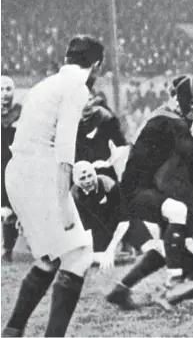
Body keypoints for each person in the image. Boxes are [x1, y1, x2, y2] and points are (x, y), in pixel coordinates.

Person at [2, 35, 104, 337]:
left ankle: (12, 331)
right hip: (41, 172)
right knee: (81, 255)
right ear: (96, 65)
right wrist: (62, 205)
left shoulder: (42, 86)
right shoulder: (76, 88)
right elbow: (63, 151)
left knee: (50, 257)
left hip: (18, 171)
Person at [105, 75, 193, 312]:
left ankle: (121, 289)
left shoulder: (168, 116)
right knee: (181, 215)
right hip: (137, 191)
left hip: (153, 187)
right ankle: (175, 282)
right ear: (178, 100)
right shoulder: (170, 122)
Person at [70, 161, 128, 269]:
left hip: (116, 227)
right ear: (76, 181)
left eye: (90, 176)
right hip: (95, 231)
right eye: (83, 178)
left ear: (95, 174)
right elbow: (82, 227)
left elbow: (124, 219)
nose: (88, 181)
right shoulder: (74, 195)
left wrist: (111, 249)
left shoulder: (109, 184)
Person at [1, 75, 21, 262]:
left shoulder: (20, 112)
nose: (5, 94)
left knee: (11, 207)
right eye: (1, 89)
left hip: (14, 165)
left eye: (8, 89)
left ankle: (7, 248)